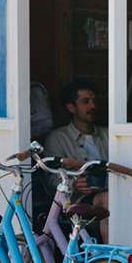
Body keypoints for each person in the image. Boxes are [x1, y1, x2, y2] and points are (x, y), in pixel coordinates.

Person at [44, 80, 112, 242]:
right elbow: (50, 177)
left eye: (94, 101)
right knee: (108, 199)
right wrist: (74, 184)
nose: (92, 106)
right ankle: (111, 257)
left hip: (110, 191)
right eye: (85, 102)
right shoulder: (58, 138)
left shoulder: (108, 134)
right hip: (77, 201)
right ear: (71, 107)